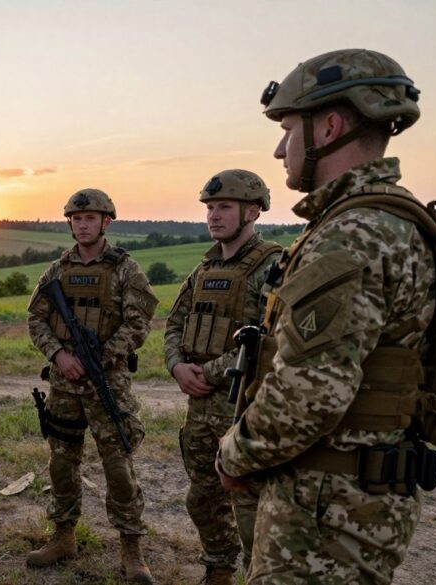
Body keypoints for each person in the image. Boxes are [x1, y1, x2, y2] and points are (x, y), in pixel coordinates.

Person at [216, 49, 434, 585]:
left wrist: (235, 454)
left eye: (289, 130)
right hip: (358, 496)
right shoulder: (399, 219)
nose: (279, 149)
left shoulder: (350, 235)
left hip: (324, 506)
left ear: (330, 126)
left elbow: (310, 393)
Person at [25, 189, 159, 584]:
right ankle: (63, 536)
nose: (83, 224)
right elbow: (37, 320)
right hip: (65, 384)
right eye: (76, 218)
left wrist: (98, 358)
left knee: (118, 464)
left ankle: (131, 549)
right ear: (70, 223)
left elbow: (139, 324)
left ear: (106, 222)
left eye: (90, 218)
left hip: (108, 384)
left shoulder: (125, 269)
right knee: (62, 461)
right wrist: (59, 357)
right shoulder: (56, 270)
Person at [163, 170, 281, 584]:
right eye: (210, 208)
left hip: (243, 405)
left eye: (224, 207)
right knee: (202, 498)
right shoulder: (204, 268)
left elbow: (269, 340)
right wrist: (177, 365)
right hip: (200, 409)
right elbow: (175, 324)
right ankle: (219, 569)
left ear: (252, 211)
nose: (213, 215)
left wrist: (207, 372)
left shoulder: (272, 266)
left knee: (249, 505)